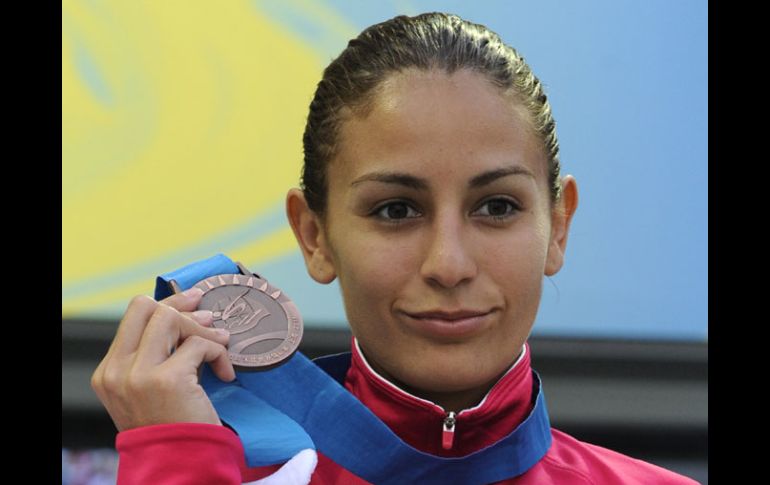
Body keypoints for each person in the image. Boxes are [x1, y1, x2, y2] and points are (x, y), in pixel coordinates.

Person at [91, 12, 699, 484]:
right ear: (314, 235)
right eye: (396, 211)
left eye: (497, 207)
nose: (449, 265)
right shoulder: (218, 472)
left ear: (558, 226)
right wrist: (175, 462)